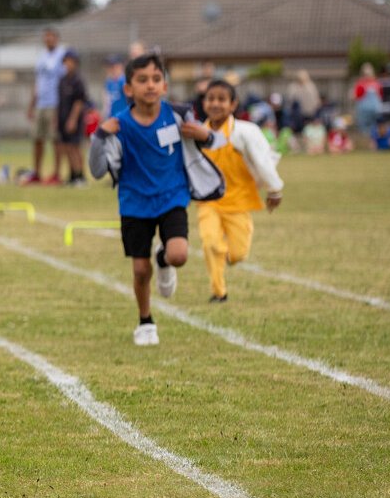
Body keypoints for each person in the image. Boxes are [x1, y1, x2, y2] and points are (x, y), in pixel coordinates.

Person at [93, 53, 212, 346]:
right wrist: (99, 137)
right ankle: (145, 321)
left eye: (156, 79)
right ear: (128, 88)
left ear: (165, 86)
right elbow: (96, 171)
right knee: (139, 269)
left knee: (178, 255)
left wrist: (205, 135)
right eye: (142, 80)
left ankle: (163, 258)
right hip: (134, 202)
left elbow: (212, 142)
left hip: (172, 196)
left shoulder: (179, 115)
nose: (150, 85)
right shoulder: (118, 125)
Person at [196, 80, 284, 303]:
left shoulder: (245, 132)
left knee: (238, 253)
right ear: (204, 103)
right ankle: (219, 292)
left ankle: (227, 256)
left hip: (239, 201)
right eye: (211, 99)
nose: (215, 104)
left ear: (233, 104)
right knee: (210, 243)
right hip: (209, 202)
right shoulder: (197, 133)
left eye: (222, 99)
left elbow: (263, 161)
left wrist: (274, 190)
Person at [25, 27, 66, 184]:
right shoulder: (41, 56)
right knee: (37, 138)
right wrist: (31, 105)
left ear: (57, 38)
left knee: (55, 139)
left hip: (54, 104)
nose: (48, 39)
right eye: (46, 37)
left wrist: (61, 107)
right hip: (40, 104)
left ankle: (57, 173)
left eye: (51, 37)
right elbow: (38, 82)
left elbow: (63, 82)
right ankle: (36, 173)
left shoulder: (62, 55)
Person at [57, 49, 90, 187]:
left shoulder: (78, 81)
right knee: (67, 147)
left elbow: (79, 102)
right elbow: (59, 101)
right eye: (66, 61)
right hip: (63, 118)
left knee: (75, 147)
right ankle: (72, 175)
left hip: (74, 120)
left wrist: (73, 119)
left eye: (70, 61)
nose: (68, 64)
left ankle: (80, 175)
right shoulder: (63, 80)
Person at [103, 54, 129, 119]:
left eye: (114, 66)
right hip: (112, 117)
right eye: (109, 67)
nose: (111, 69)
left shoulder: (123, 81)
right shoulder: (109, 82)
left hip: (123, 117)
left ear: (121, 66)